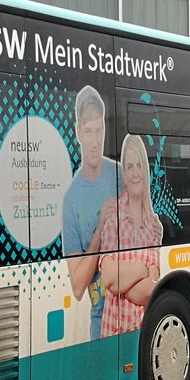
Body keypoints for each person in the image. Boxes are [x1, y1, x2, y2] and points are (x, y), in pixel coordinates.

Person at [61, 85, 119, 340]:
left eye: (99, 131)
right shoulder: (71, 200)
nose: (95, 141)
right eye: (88, 132)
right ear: (78, 134)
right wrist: (99, 231)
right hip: (101, 321)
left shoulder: (120, 173)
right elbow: (77, 285)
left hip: (132, 310)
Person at [97, 134, 164, 337]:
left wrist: (120, 286)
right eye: (129, 167)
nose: (135, 173)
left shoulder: (154, 225)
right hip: (112, 333)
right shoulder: (112, 217)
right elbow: (108, 277)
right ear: (124, 176)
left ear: (145, 170)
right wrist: (142, 269)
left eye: (139, 166)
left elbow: (151, 290)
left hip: (140, 334)